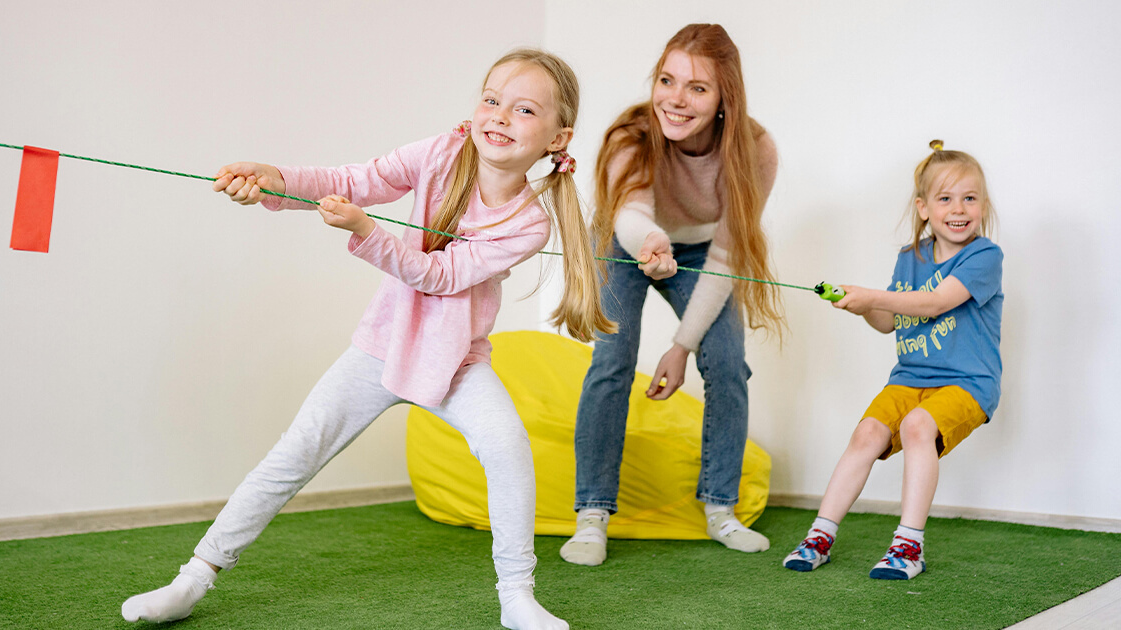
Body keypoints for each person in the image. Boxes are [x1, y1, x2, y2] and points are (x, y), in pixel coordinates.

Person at [121, 48, 613, 630]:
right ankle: (193, 579)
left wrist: (365, 230)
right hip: (383, 343)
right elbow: (357, 179)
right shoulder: (440, 152)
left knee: (507, 450)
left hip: (457, 361)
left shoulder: (530, 222)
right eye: (491, 98)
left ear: (558, 138)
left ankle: (517, 598)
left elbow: (442, 277)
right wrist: (275, 180)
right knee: (295, 452)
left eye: (524, 109)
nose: (501, 115)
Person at [560, 23, 781, 567]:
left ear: (725, 96)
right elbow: (630, 214)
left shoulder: (754, 149)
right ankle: (591, 514)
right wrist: (650, 243)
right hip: (628, 238)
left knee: (728, 362)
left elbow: (728, 254)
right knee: (611, 359)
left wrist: (681, 346)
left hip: (706, 252)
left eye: (698, 88)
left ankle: (720, 507)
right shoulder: (629, 136)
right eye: (667, 80)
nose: (675, 100)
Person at [782, 140, 1003, 580]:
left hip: (968, 383)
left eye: (969, 198)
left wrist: (872, 295)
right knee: (867, 432)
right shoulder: (910, 259)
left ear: (982, 205)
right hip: (909, 378)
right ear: (924, 208)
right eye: (945, 198)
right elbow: (890, 320)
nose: (958, 208)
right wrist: (860, 304)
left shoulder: (984, 256)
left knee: (917, 426)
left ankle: (908, 547)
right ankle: (819, 537)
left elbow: (936, 302)